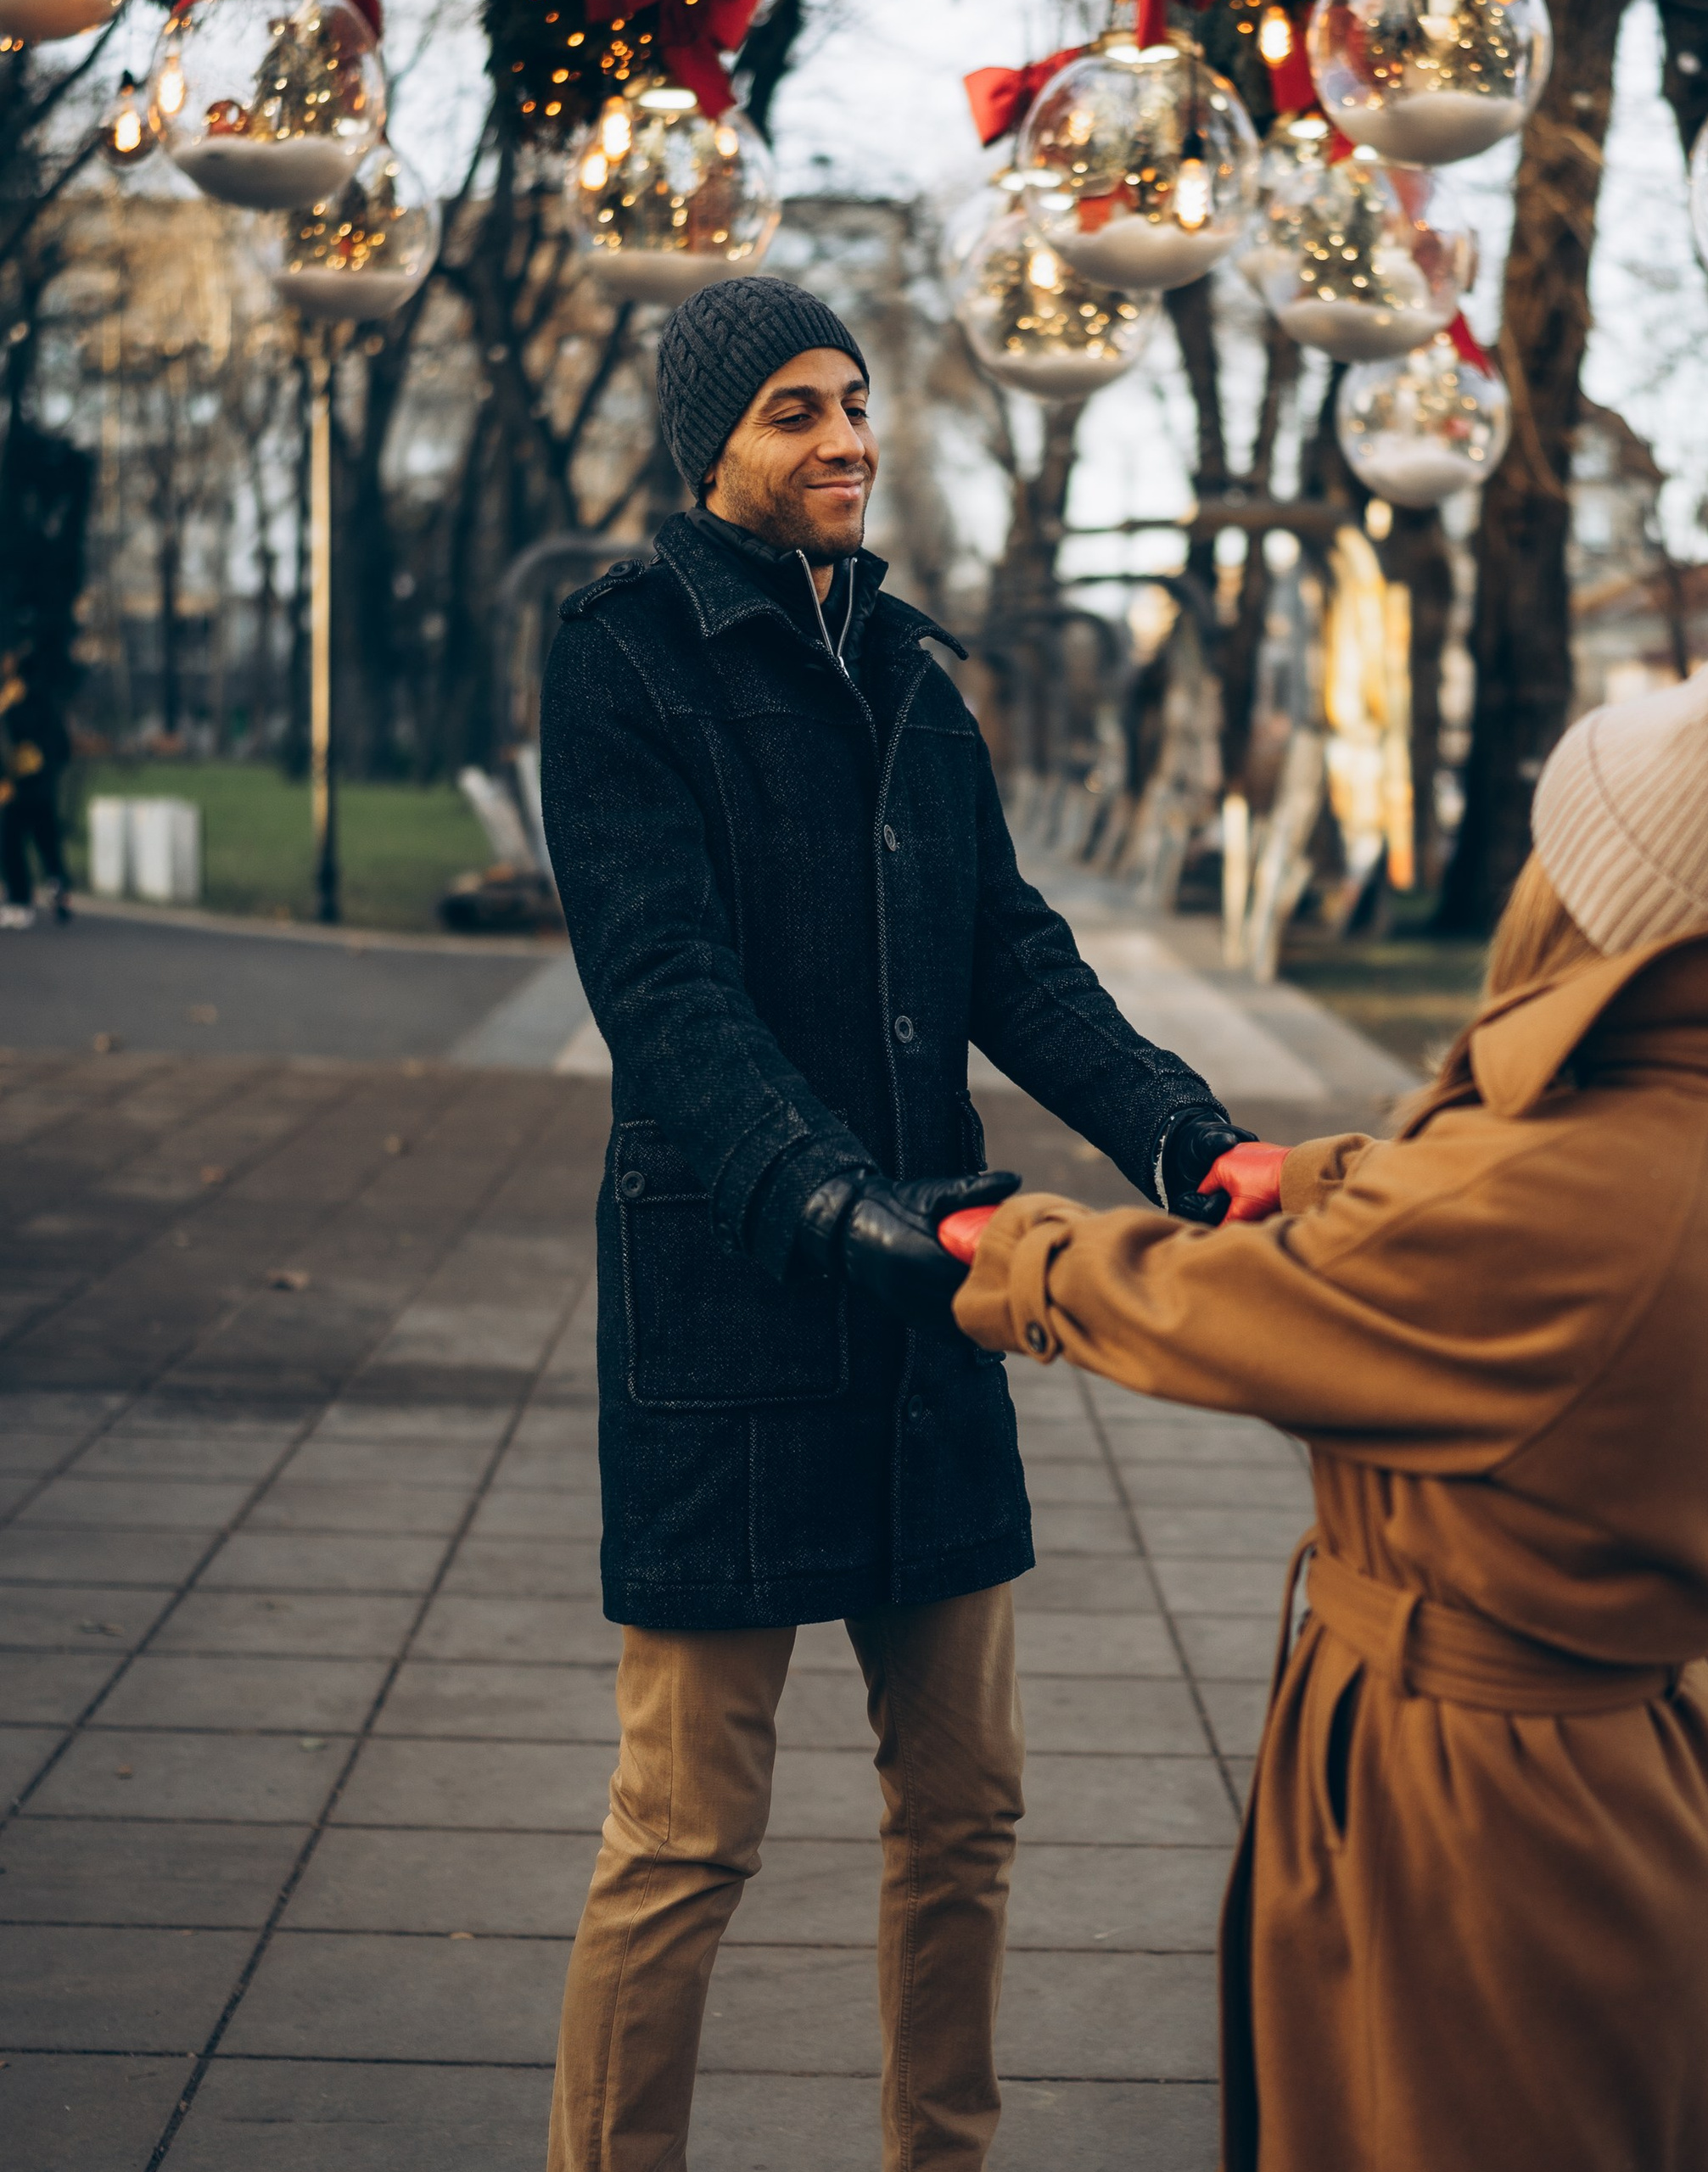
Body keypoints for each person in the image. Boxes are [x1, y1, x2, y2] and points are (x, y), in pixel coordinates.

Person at [941, 630, 1708, 2172]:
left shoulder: (1573, 1190)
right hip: (1617, 1771)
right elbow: (1473, 1214)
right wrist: (1302, 1176)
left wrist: (1018, 1252)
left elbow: (1249, 1307)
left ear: (1603, 897)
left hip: (1478, 1802)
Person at [537, 274, 1252, 2172]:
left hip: (931, 1305)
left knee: (967, 1804)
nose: (845, 434)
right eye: (792, 407)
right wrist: (842, 1208)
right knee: (686, 1826)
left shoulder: (917, 674)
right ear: (710, 446)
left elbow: (1012, 954)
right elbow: (667, 994)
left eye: (852, 401)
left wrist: (1191, 1146)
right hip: (735, 1295)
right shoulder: (622, 656)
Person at [0, 644, 74, 931]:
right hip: (45, 785)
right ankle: (59, 890)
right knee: (47, 842)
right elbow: (63, 746)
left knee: (11, 846)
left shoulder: (11, 699)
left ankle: (20, 904)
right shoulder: (48, 701)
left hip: (15, 787)